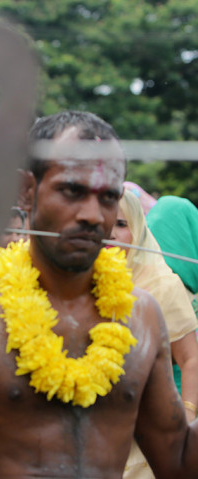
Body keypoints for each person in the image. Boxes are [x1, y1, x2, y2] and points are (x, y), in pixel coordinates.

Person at [0, 110, 198, 478]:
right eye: (72, 191)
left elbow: (178, 464)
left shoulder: (140, 315)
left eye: (108, 197)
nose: (93, 215)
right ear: (26, 191)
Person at [110, 190, 198, 478]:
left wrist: (186, 419)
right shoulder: (80, 284)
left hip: (151, 435)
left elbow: (191, 359)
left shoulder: (161, 285)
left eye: (121, 225)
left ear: (138, 230)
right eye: (102, 225)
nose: (110, 234)